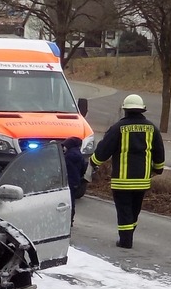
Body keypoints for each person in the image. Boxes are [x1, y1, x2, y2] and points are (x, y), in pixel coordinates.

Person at [90, 94, 165, 249]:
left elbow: (104, 149)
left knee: (124, 209)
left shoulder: (118, 128)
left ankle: (125, 241)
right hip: (142, 180)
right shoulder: (152, 129)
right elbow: (159, 151)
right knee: (134, 209)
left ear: (125, 110)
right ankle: (128, 235)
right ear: (142, 109)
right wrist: (158, 169)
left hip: (122, 181)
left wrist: (93, 162)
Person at [62, 136, 87, 227]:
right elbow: (83, 169)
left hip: (68, 181)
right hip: (76, 181)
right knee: (71, 201)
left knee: (66, 201)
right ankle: (71, 219)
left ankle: (67, 220)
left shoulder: (68, 156)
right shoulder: (79, 156)